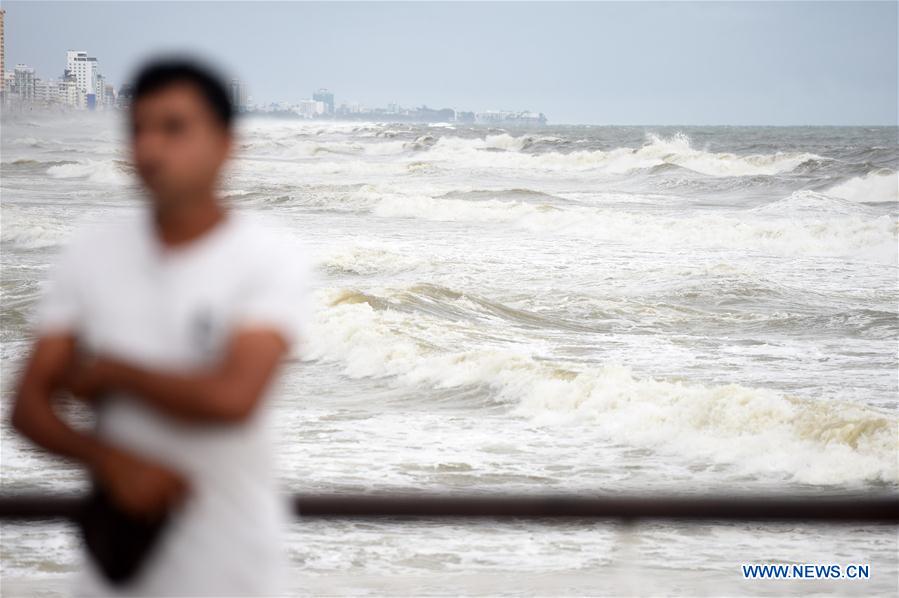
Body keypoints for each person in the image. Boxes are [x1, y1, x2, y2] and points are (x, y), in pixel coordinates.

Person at [10, 57, 313, 596]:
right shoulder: (91, 252)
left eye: (174, 128)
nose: (149, 148)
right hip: (115, 568)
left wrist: (112, 372)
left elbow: (232, 397)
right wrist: (111, 461)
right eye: (138, 130)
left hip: (232, 566)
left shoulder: (269, 256)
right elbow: (29, 405)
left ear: (225, 145)